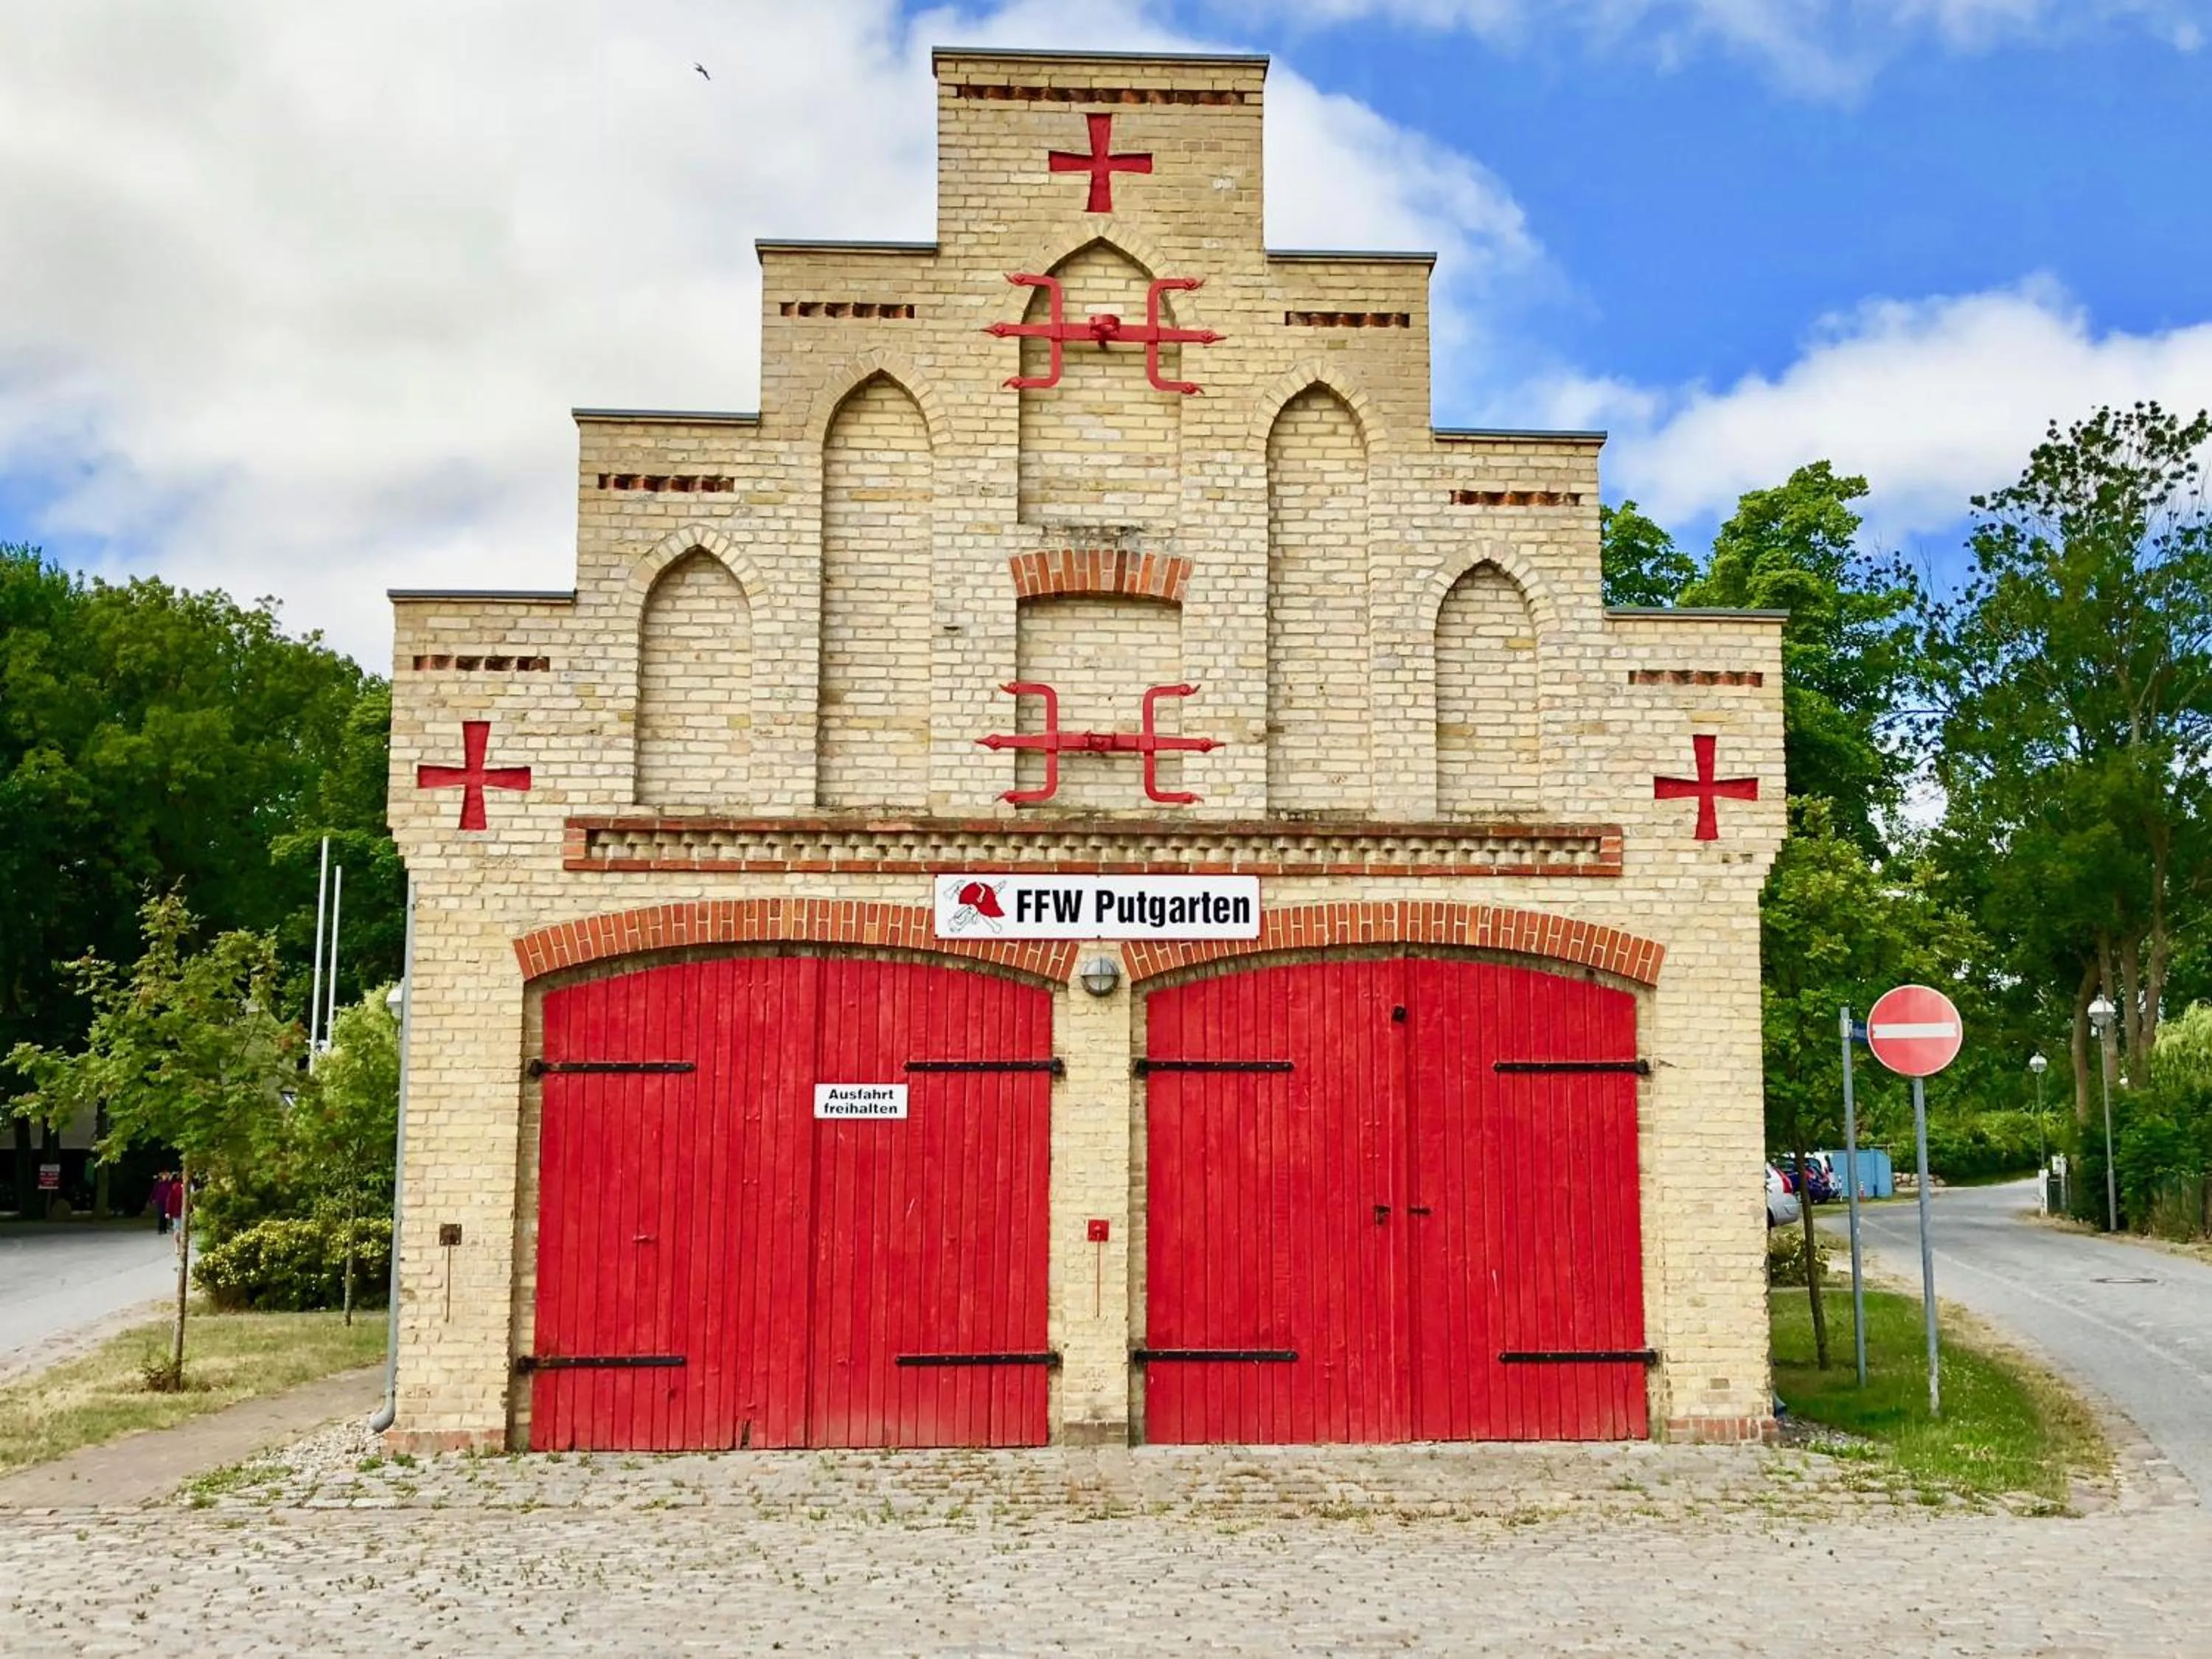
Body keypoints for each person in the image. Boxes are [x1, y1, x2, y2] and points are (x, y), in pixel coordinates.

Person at [150, 1171, 174, 1236]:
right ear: (161, 1176)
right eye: (164, 1176)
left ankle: (164, 1228)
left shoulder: (169, 1183)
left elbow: (171, 1191)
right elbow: (154, 1191)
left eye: (166, 1176)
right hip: (160, 1201)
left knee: (166, 1215)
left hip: (167, 1201)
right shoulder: (158, 1183)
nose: (165, 1177)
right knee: (161, 1214)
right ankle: (160, 1229)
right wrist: (152, 1199)